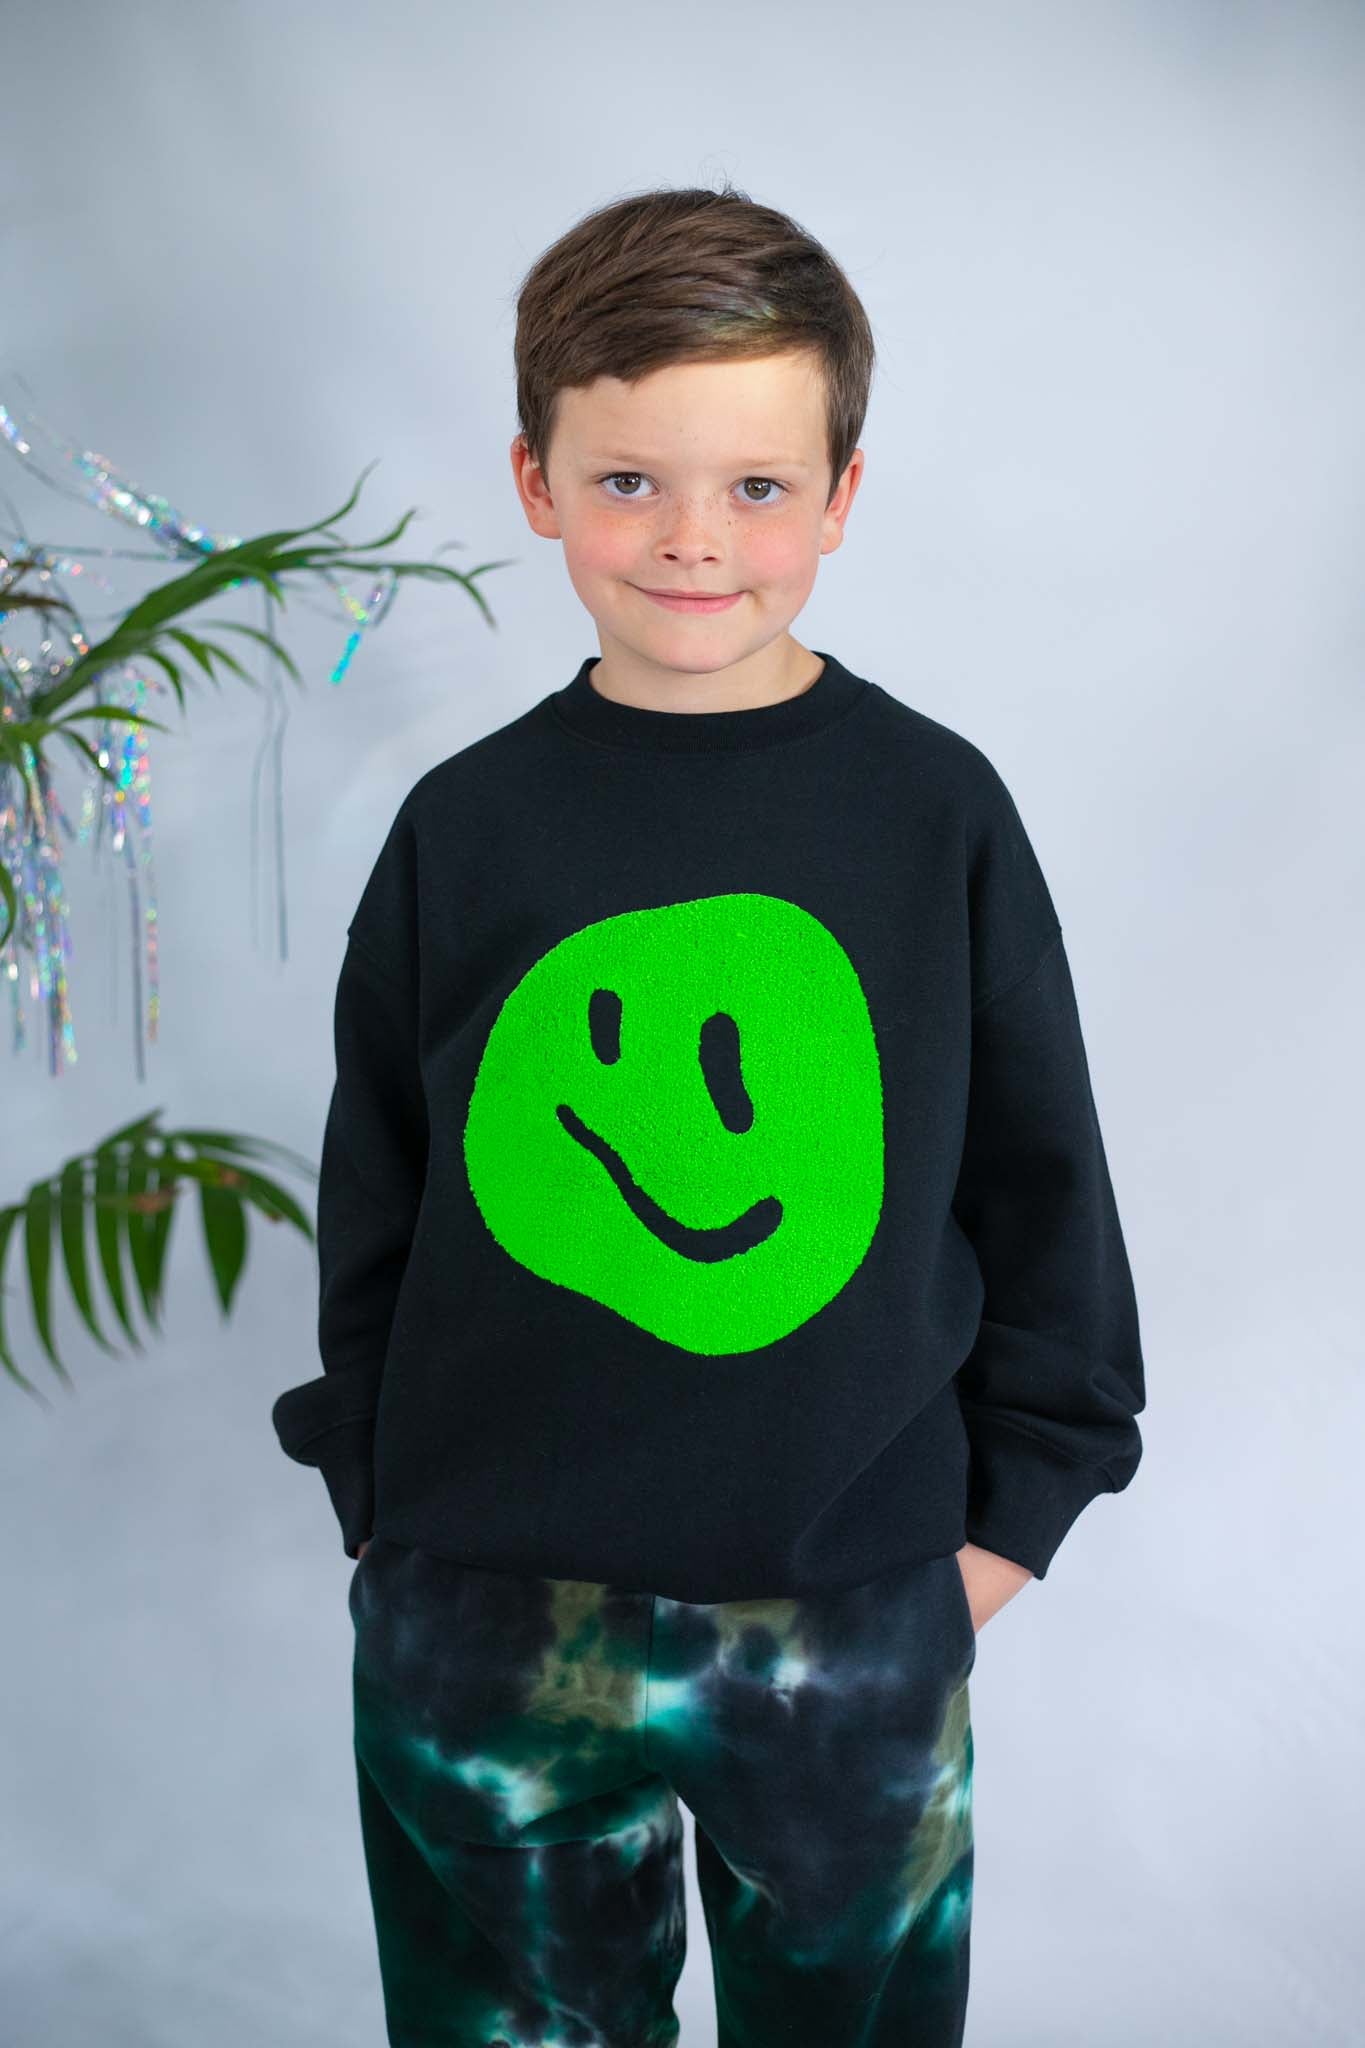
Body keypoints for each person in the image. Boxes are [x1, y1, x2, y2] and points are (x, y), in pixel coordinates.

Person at [271, 181, 1146, 2047]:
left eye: (754, 486)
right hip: (481, 1616)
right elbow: (380, 1186)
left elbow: (1041, 1181)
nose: (691, 539)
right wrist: (380, 1503)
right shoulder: (465, 824)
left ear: (839, 496)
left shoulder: (932, 812)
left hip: (846, 1612)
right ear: (535, 483)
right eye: (628, 481)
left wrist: (1001, 1531)